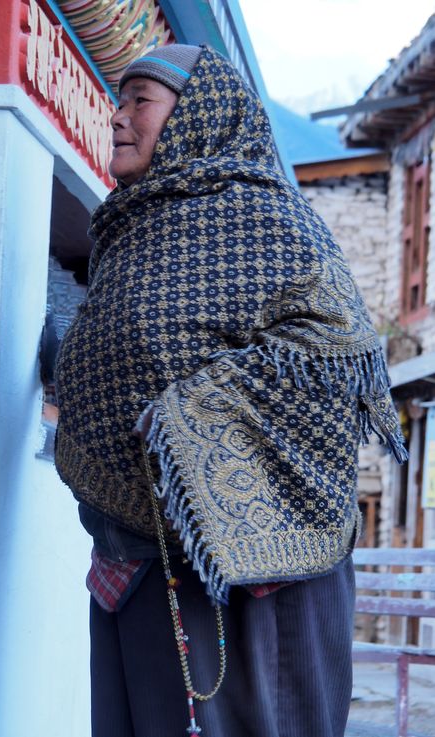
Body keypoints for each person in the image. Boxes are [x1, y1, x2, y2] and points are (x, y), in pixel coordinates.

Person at [54, 44, 407, 737]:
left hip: (249, 583)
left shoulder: (271, 224)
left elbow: (333, 349)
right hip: (135, 563)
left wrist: (196, 414)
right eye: (118, 101)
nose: (117, 119)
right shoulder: (127, 233)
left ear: (196, 117)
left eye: (140, 103)